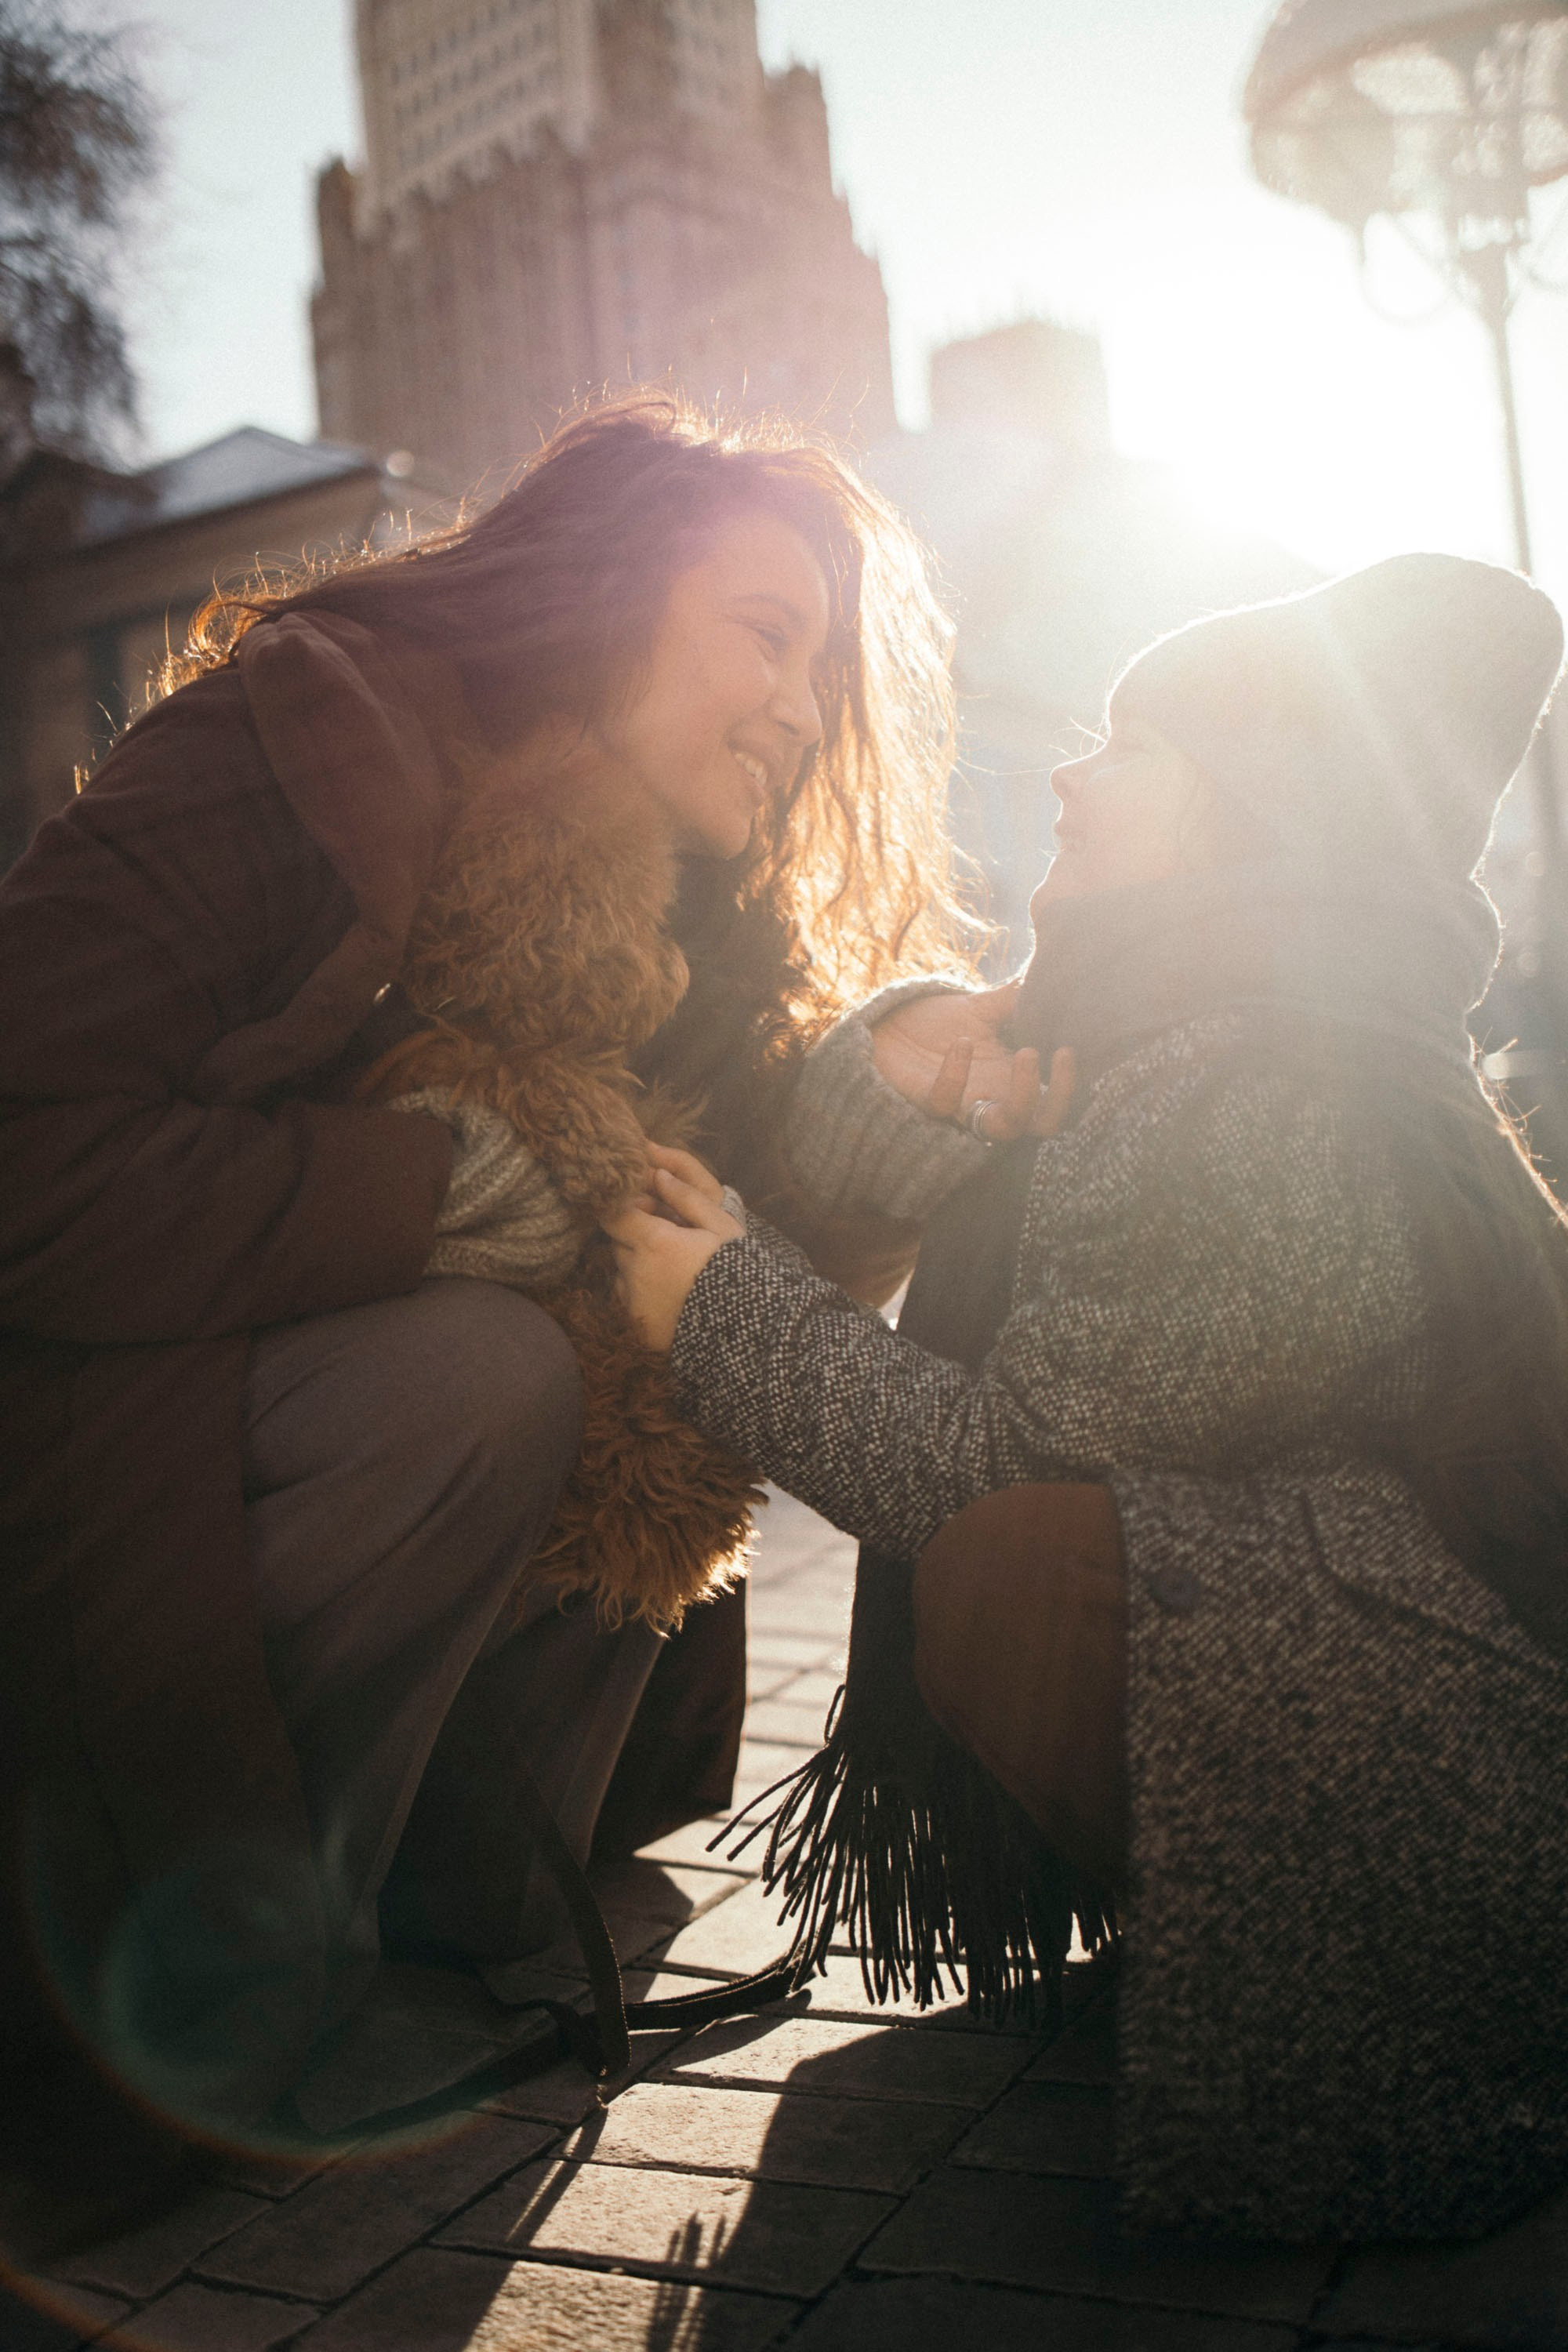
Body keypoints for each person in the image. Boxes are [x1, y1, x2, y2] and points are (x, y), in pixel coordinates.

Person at [0, 394, 1021, 2247]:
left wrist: (913, 1095)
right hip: (75, 1454)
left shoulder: (684, 901)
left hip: (285, 1472)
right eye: (765, 635)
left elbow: (759, 1191)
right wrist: (420, 1187)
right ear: (612, 600)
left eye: (825, 667)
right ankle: (206, 1971)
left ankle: (430, 1895)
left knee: (649, 1320)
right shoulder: (306, 735)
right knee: (482, 1367)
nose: (805, 708)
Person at [610, 552, 1568, 2242]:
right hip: (1424, 1709)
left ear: (1248, 808)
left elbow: (992, 1470)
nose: (1066, 769)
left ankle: (1343, 1968)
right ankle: (1238, 1903)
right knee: (1052, 1547)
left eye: (1130, 744)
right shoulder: (1172, 1029)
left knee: (1033, 1563)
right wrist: (935, 1052)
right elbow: (829, 1137)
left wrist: (716, 1305)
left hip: (1469, 1796)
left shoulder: (1283, 1094)